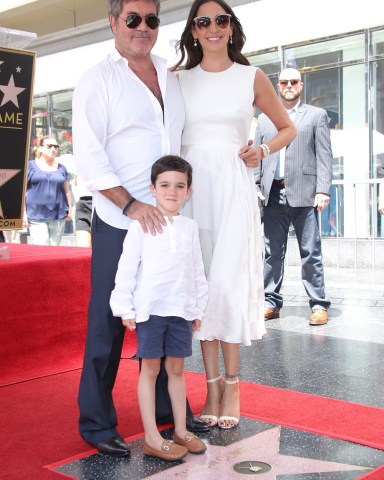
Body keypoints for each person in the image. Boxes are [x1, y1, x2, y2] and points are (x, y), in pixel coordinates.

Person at [72, 0, 208, 458]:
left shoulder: (170, 74)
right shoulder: (98, 79)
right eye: (132, 19)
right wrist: (130, 205)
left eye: (151, 19)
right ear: (113, 23)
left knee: (170, 311)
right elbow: (90, 156)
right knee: (108, 322)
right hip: (121, 219)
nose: (142, 27)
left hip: (169, 222)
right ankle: (96, 423)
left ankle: (174, 415)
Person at [173, 0, 296, 430]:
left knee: (227, 282)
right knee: (203, 286)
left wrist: (260, 151)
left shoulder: (251, 76)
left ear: (231, 28)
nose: (212, 27)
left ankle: (234, 383)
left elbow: (287, 127)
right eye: (203, 21)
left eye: (220, 20)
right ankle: (209, 386)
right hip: (191, 192)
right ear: (192, 30)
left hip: (232, 188)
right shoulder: (178, 80)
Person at [110, 155, 208, 461]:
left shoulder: (190, 227)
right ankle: (152, 437)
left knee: (176, 369)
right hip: (150, 311)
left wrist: (197, 309)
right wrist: (125, 307)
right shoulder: (140, 226)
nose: (172, 191)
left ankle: (180, 429)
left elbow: (197, 272)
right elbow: (126, 269)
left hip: (180, 311)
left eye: (180, 186)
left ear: (188, 192)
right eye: (165, 185)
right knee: (150, 369)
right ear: (152, 188)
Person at [254, 67, 332, 326]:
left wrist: (323, 189)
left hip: (306, 194)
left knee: (311, 251)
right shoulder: (264, 119)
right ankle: (270, 302)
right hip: (272, 193)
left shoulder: (316, 115)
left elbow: (324, 155)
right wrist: (256, 184)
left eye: (294, 81)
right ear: (278, 86)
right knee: (271, 252)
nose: (289, 85)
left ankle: (319, 304)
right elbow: (257, 157)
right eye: (284, 81)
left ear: (301, 85)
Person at [25, 135, 72, 246]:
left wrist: (69, 210)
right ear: (41, 148)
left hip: (58, 215)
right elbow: (22, 193)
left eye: (56, 146)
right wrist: (22, 214)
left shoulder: (62, 168)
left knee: (54, 251)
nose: (53, 149)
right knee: (41, 249)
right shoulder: (30, 166)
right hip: (36, 214)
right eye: (49, 146)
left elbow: (66, 191)